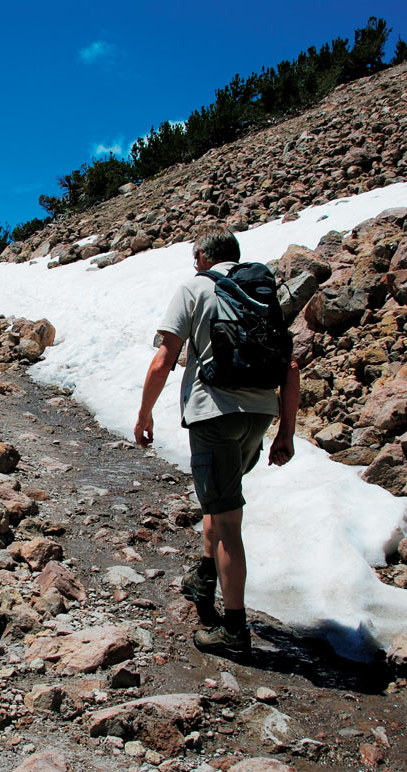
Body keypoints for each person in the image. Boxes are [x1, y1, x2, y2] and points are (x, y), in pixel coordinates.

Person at [134, 226, 299, 659]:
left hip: (216, 413)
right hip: (260, 412)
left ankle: (235, 630)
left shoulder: (195, 289)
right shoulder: (261, 293)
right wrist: (285, 432)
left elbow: (164, 358)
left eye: (195, 258)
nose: (194, 265)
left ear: (204, 256)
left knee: (227, 520)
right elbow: (290, 366)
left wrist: (144, 412)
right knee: (219, 499)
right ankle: (205, 575)